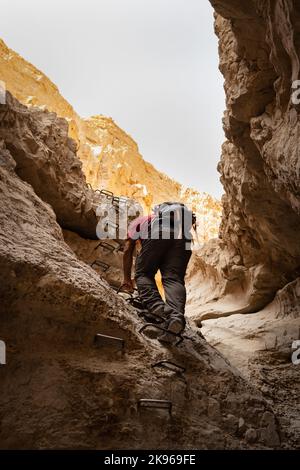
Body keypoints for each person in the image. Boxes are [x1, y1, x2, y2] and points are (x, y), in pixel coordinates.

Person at [122, 202, 195, 343]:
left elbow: (127, 249)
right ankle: (176, 318)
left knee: (144, 274)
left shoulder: (140, 221)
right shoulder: (182, 223)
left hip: (160, 232)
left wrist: (127, 278)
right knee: (174, 279)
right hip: (185, 238)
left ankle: (162, 311)